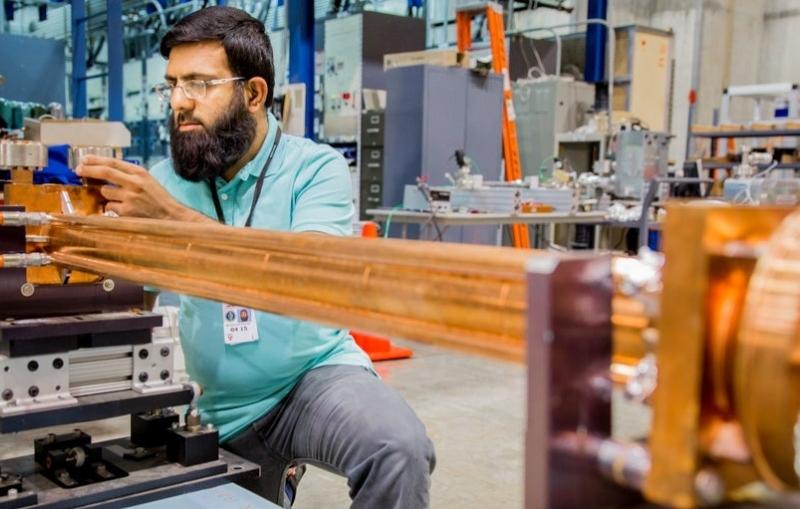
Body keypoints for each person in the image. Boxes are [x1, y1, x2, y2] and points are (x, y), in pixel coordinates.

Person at [75, 6, 435, 508]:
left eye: (199, 84)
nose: (179, 102)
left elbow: (307, 273)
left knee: (397, 447)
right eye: (172, 85)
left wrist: (172, 218)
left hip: (311, 378)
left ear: (254, 94)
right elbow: (126, 298)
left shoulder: (314, 169)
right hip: (214, 409)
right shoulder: (164, 181)